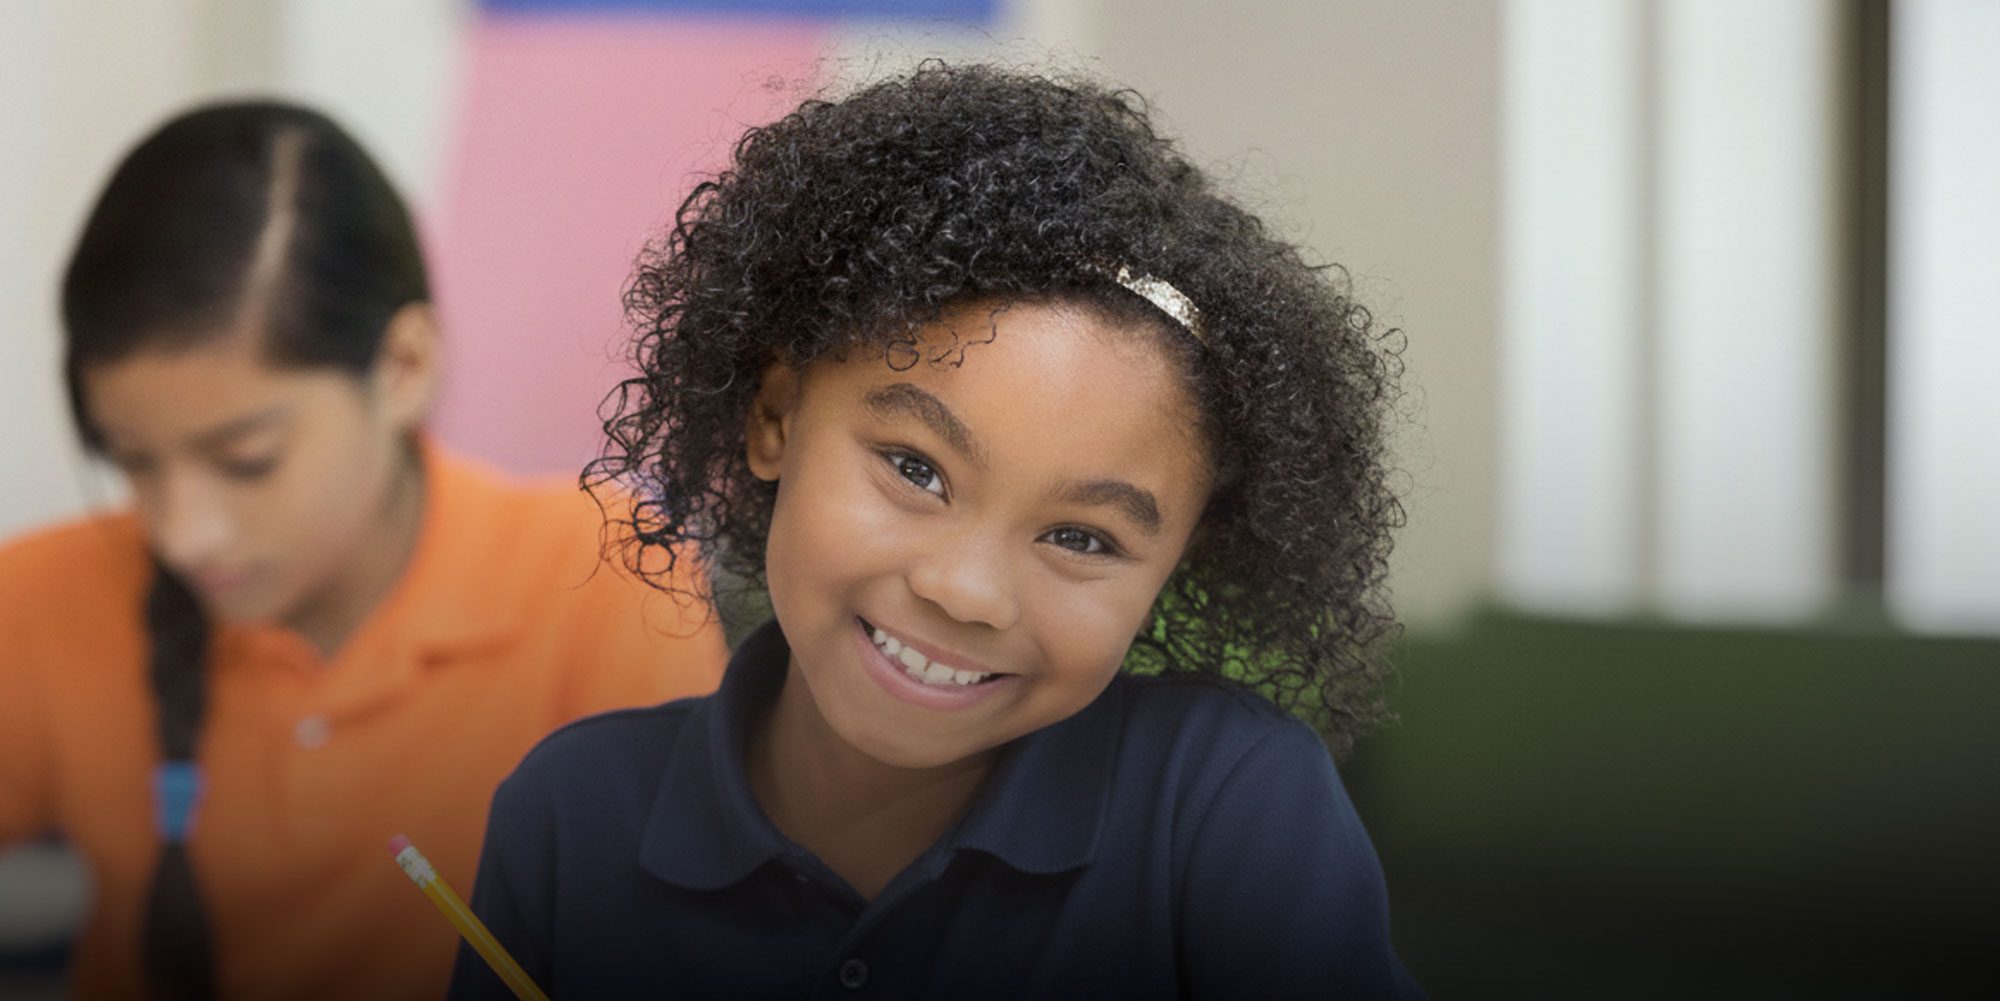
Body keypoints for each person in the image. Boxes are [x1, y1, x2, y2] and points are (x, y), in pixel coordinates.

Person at [452, 63, 1422, 999]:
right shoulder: (571, 812)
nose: (964, 589)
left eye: (1081, 537)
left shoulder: (1227, 804)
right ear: (775, 418)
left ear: (1177, 562)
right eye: (915, 469)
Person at [0, 101, 728, 1001]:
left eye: (246, 461)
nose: (182, 530)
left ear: (405, 366)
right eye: (135, 462)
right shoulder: (43, 597)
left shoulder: (602, 582)